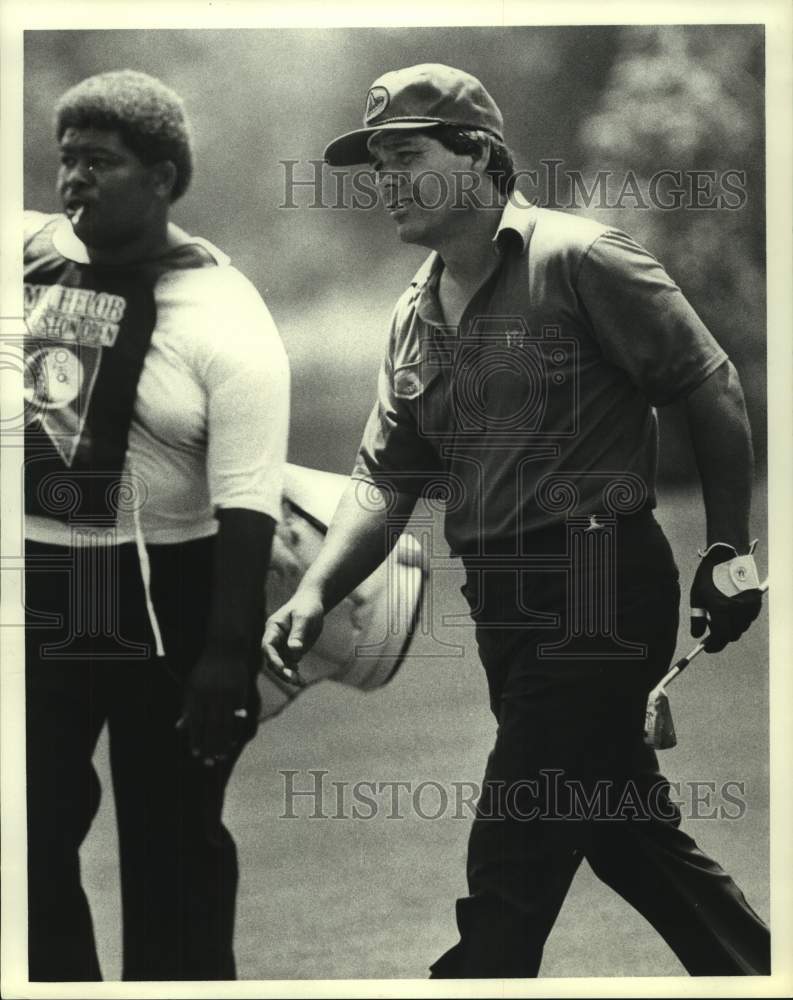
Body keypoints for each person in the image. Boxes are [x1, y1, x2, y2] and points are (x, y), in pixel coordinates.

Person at [263, 64, 770, 977]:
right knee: (620, 829)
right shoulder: (410, 319)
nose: (383, 181)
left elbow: (710, 385)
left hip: (597, 580)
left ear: (479, 158)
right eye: (373, 164)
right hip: (502, 602)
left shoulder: (580, 259)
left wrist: (729, 553)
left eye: (404, 156)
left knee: (512, 857)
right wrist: (315, 590)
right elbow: (383, 481)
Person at [23, 70, 289, 981]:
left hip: (175, 592)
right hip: (48, 584)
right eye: (67, 162)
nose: (76, 181)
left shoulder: (223, 312)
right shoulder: (34, 268)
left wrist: (226, 652)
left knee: (172, 843)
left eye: (101, 162)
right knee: (25, 831)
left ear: (165, 176)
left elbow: (248, 497)